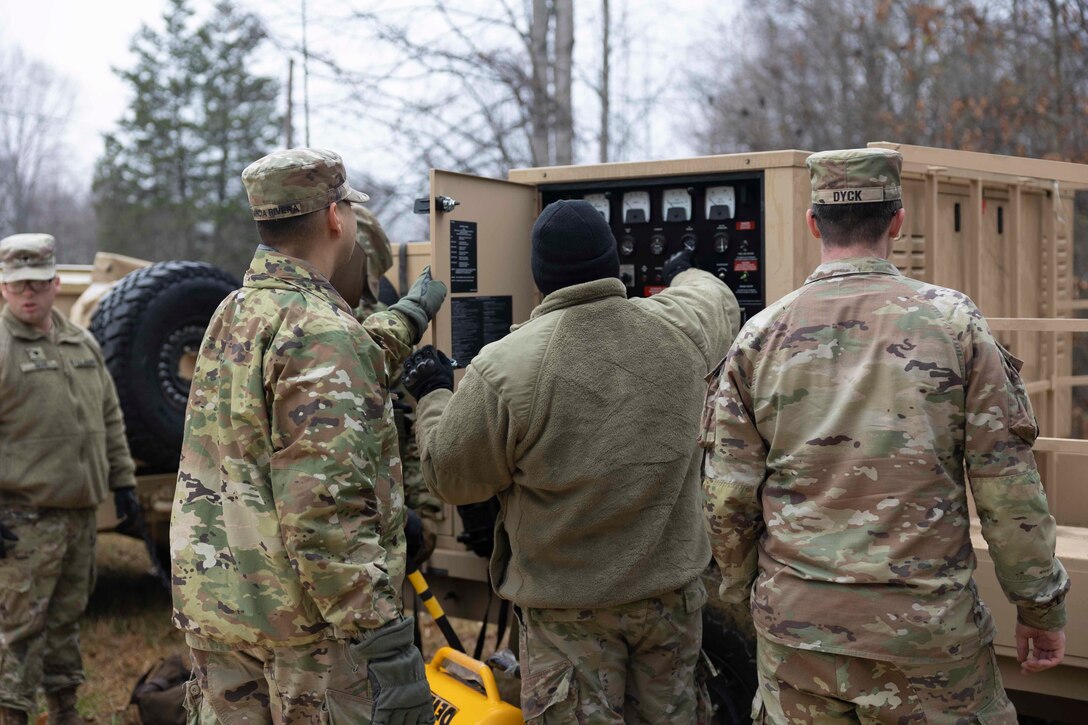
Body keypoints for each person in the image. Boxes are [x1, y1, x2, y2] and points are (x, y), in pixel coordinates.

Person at [701, 147, 1070, 723]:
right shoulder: (953, 324)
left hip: (800, 635)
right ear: (898, 221)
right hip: (926, 637)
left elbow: (727, 500)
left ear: (813, 223)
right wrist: (1039, 607)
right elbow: (1007, 488)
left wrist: (752, 595)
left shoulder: (759, 337)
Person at [402, 199, 740, 723]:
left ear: (540, 277)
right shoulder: (683, 326)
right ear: (613, 264)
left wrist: (432, 393)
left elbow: (451, 475)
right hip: (671, 604)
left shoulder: (506, 365)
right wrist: (683, 272)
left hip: (569, 620)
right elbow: (715, 295)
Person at [170, 148, 445, 724]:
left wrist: (407, 317)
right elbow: (325, 512)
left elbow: (336, 364)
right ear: (335, 217)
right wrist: (383, 639)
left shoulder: (235, 311)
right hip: (308, 641)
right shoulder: (321, 329)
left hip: (225, 614)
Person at [0, 233, 141, 725]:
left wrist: (123, 481)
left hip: (80, 513)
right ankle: (12, 715)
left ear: (56, 282)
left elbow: (109, 417)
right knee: (19, 630)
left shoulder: (80, 341)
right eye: (19, 286)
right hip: (23, 518)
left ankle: (65, 713)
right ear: (3, 289)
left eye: (39, 283)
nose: (30, 294)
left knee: (65, 624)